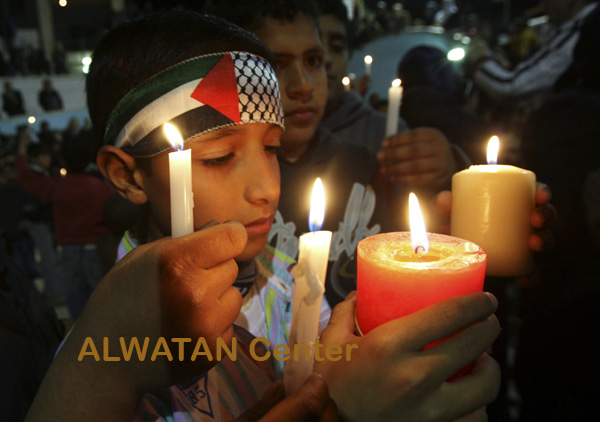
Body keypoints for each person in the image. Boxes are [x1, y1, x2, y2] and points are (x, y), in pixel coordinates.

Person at [85, 10, 500, 421]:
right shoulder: (103, 360)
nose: (267, 188)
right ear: (128, 176)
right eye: (219, 157)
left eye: (272, 149)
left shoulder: (287, 280)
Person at [16, 125, 113, 318]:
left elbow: (26, 179)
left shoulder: (58, 186)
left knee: (77, 305)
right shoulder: (103, 189)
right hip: (95, 249)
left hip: (68, 251)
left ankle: (81, 343)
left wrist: (21, 148)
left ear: (64, 161)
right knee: (102, 303)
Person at [469, 0, 598, 102]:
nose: (543, 3)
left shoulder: (582, 32)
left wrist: (480, 59)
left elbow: (511, 87)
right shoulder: (575, 28)